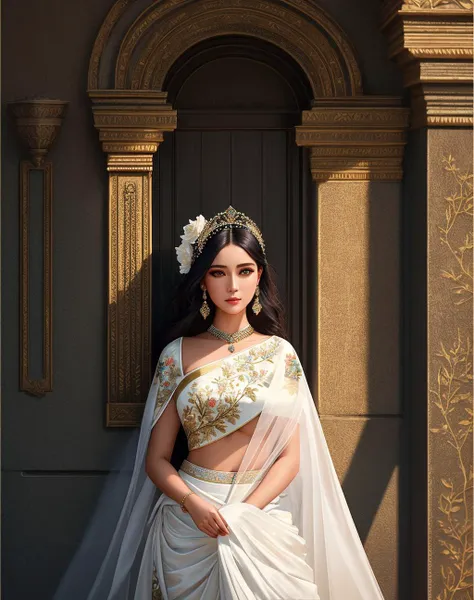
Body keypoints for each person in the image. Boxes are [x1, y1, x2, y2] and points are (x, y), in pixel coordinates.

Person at [54, 205, 385, 600]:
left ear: (259, 276)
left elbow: (291, 458)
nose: (233, 286)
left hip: (261, 517)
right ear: (202, 283)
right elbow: (156, 459)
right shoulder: (177, 355)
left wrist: (245, 512)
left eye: (244, 271)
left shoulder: (280, 355)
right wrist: (193, 504)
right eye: (218, 273)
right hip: (190, 522)